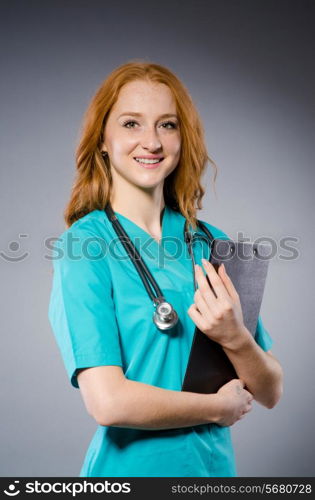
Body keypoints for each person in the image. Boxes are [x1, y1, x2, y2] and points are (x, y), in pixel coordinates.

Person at [48, 60, 283, 477]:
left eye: (167, 125)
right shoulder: (85, 245)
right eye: (131, 124)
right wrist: (216, 408)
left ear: (182, 137)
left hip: (213, 474)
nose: (152, 142)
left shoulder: (211, 242)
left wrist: (236, 339)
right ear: (102, 139)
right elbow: (108, 402)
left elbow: (269, 389)